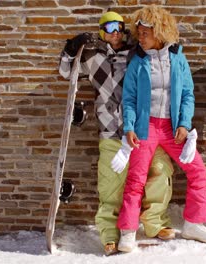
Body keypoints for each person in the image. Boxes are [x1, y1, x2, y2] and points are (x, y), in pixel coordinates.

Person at [58, 11, 175, 256]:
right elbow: (67, 73)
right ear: (102, 30)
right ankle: (109, 235)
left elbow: (162, 61)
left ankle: (155, 222)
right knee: (110, 186)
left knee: (160, 171)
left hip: (142, 128)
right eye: (111, 27)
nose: (116, 32)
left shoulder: (138, 53)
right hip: (111, 130)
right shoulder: (91, 57)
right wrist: (70, 50)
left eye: (120, 27)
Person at [115, 5, 206, 252]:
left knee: (198, 171)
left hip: (172, 129)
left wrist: (184, 123)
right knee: (136, 179)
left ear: (160, 32)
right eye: (138, 32)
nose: (140, 37)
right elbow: (128, 98)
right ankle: (128, 231)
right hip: (145, 127)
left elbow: (187, 95)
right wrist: (129, 126)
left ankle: (194, 223)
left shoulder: (178, 59)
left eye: (145, 33)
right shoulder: (138, 62)